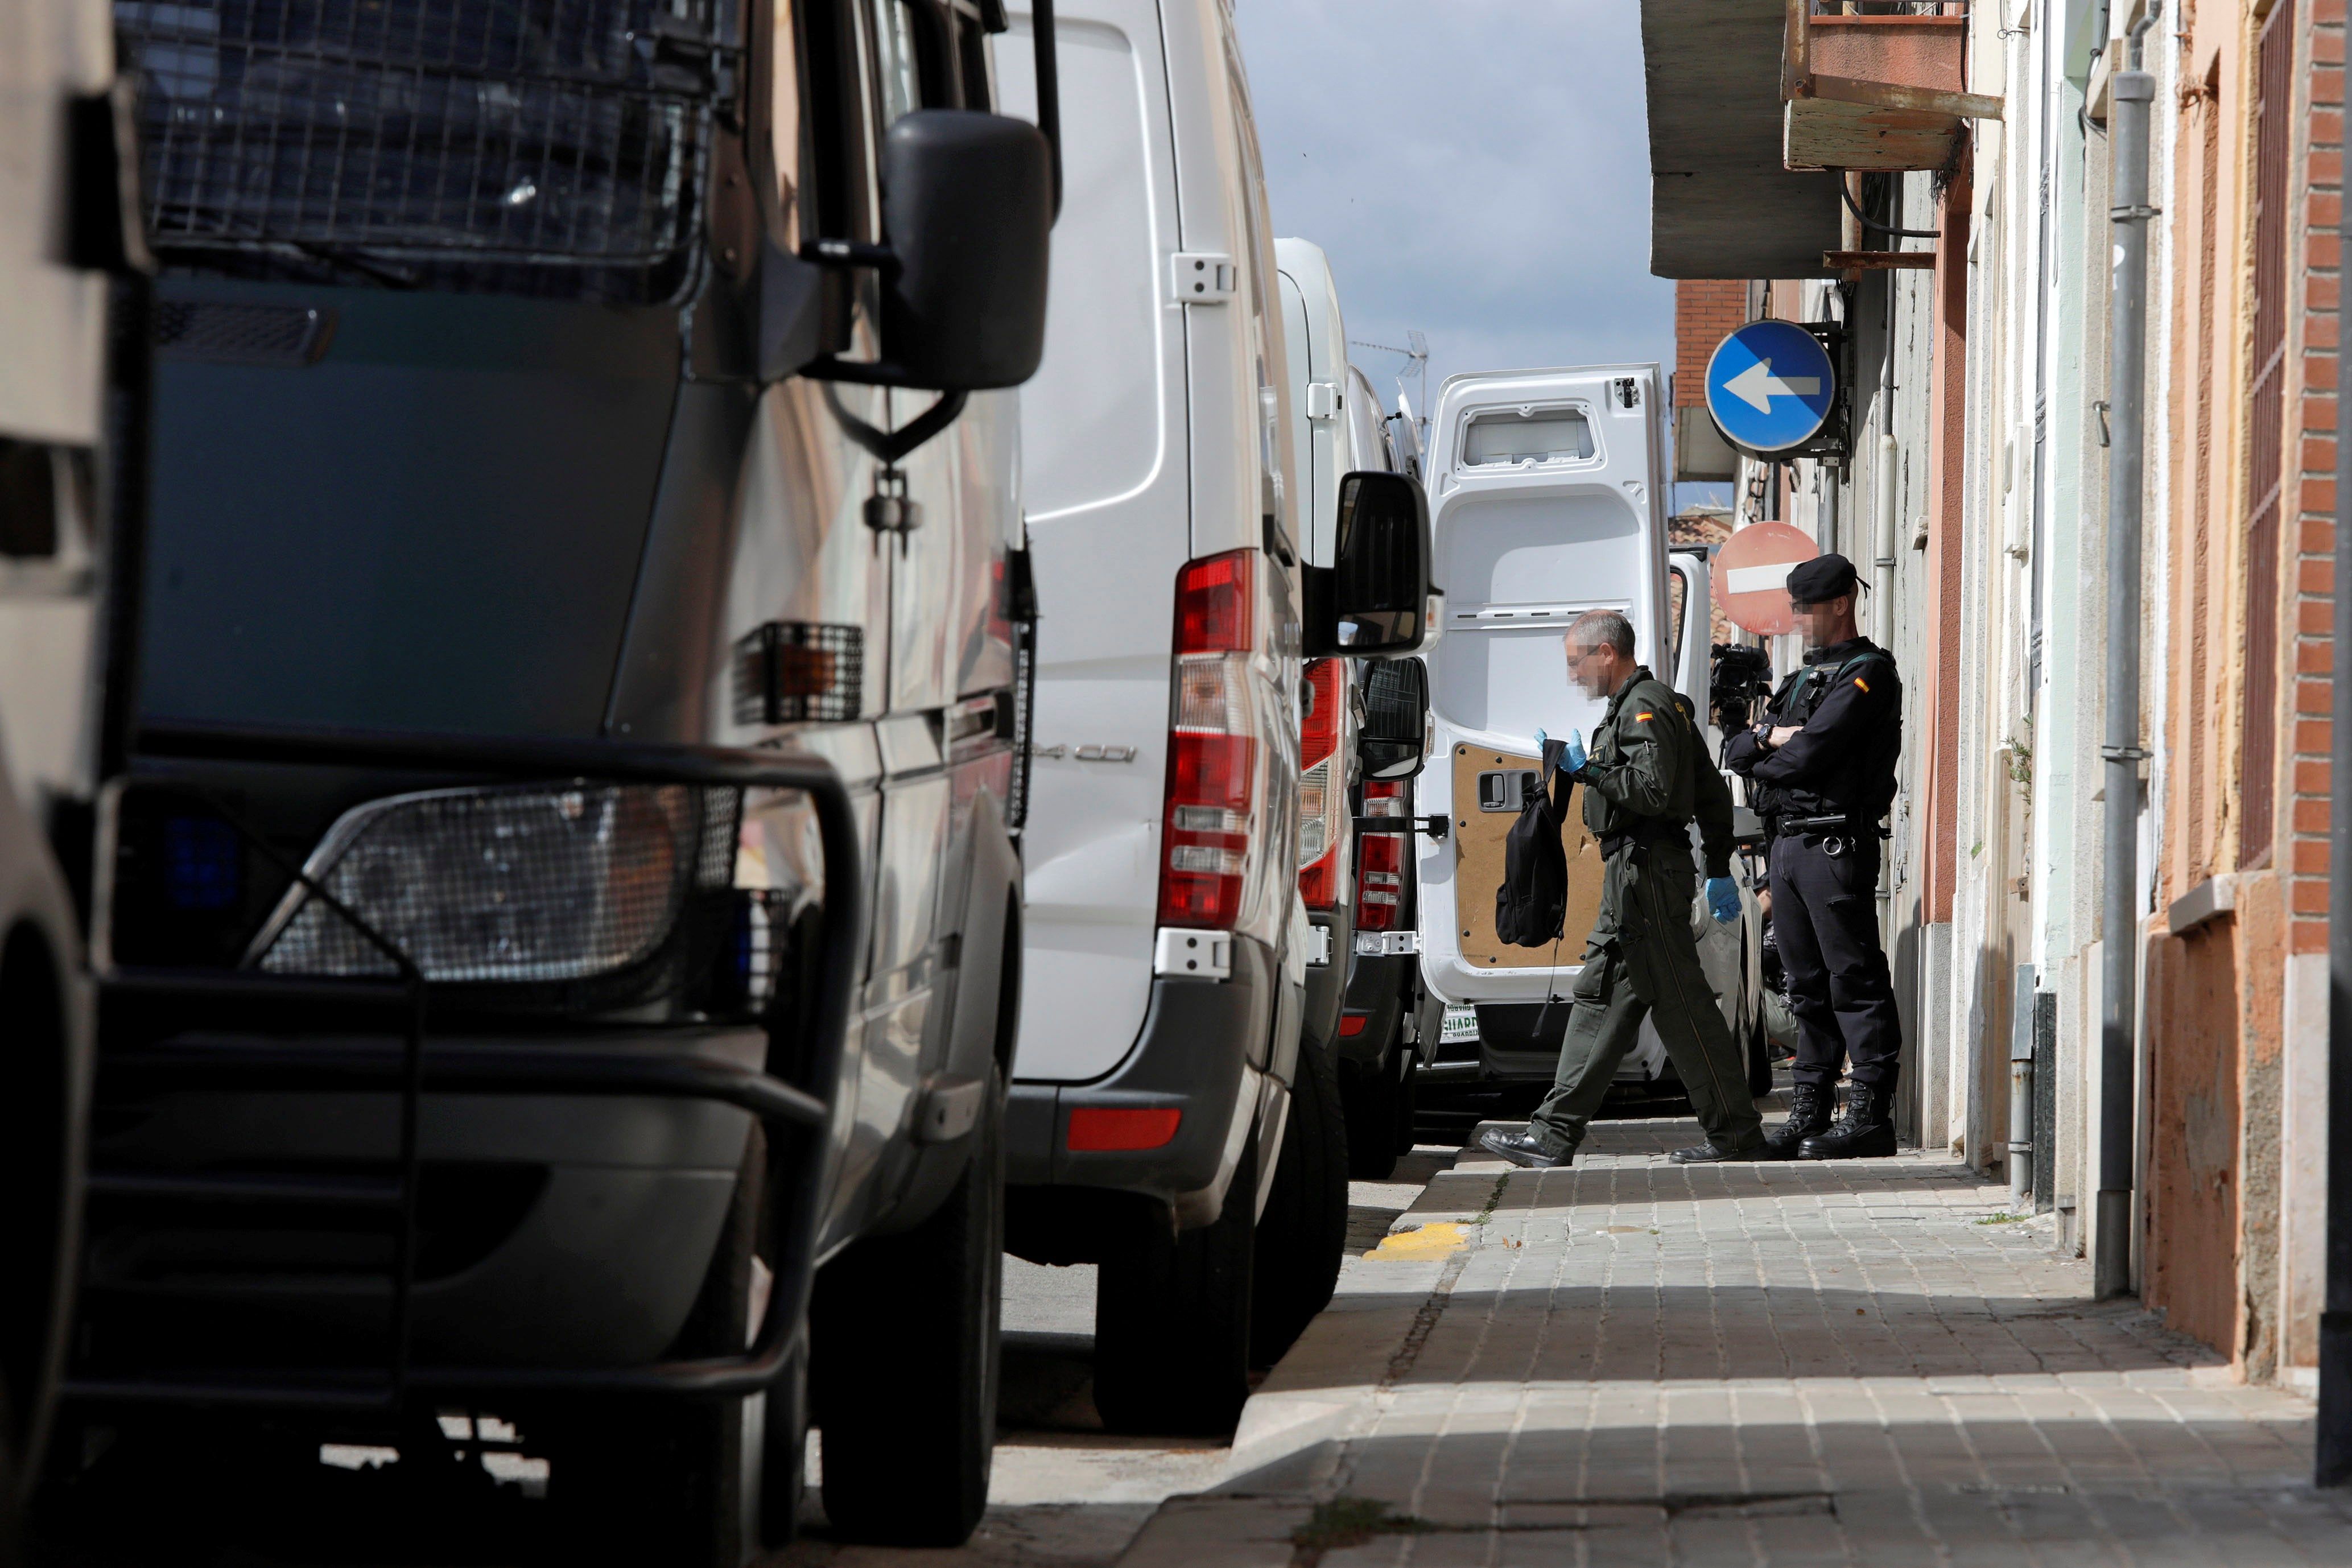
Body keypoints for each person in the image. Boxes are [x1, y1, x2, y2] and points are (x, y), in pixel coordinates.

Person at [1480, 609, 1765, 1169]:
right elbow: (1709, 793)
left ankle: (1736, 1134)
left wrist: (1587, 771)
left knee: (1683, 1008)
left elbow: (1653, 793)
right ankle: (1554, 1134)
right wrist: (1716, 866)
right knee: (1602, 994)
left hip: (1646, 874)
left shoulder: (1645, 707)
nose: (1574, 675)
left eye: (1576, 661)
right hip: (1637, 875)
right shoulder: (1665, 705)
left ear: (1606, 652)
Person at [1723, 553, 1905, 1159]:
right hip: (1789, 843)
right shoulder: (1803, 679)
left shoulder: (1869, 671)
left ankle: (1871, 1114)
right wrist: (1773, 741)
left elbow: (1813, 753)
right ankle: (1810, 1111)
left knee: (1852, 978)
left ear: (1841, 604)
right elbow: (1738, 746)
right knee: (1805, 985)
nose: (1798, 620)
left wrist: (1770, 750)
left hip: (1835, 841)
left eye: (1807, 608)